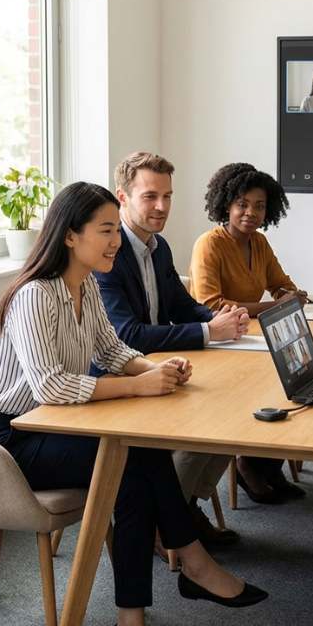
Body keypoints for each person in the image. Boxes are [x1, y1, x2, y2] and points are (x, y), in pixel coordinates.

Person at [0, 182, 267, 626]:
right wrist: (137, 386)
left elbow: (112, 349)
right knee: (127, 469)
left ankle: (165, 588)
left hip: (54, 422)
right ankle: (177, 579)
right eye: (106, 230)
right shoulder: (35, 294)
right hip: (9, 438)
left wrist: (156, 369)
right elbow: (49, 384)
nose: (115, 241)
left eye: (115, 230)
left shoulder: (84, 284)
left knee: (141, 452)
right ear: (71, 235)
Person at [95, 151, 248, 547]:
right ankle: (169, 524)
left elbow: (180, 305)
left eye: (167, 196)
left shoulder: (158, 247)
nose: (161, 206)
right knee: (211, 422)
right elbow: (127, 334)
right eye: (150, 196)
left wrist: (222, 317)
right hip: (114, 377)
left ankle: (181, 509)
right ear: (122, 198)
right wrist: (206, 331)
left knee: (232, 415)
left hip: (151, 366)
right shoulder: (106, 256)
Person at [190, 162, 307, 504]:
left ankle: (267, 465)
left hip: (251, 338)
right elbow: (211, 305)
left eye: (259, 206)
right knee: (274, 380)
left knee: (291, 377)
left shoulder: (259, 243)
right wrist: (276, 307)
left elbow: (281, 284)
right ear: (225, 204)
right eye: (242, 204)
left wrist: (289, 296)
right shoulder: (209, 245)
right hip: (219, 344)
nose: (250, 213)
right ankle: (249, 466)